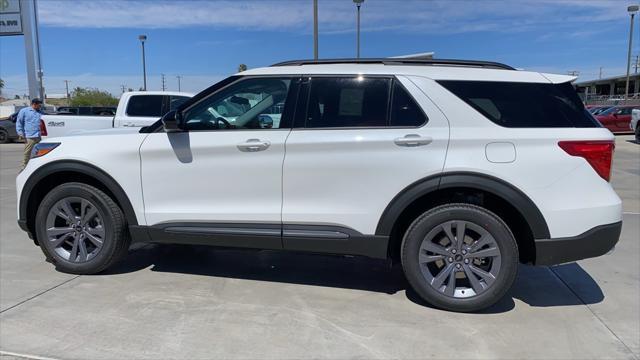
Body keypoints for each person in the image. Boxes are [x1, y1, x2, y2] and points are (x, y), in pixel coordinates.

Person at [16, 98, 44, 170]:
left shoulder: (41, 112)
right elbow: (19, 122)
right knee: (27, 153)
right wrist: (20, 133)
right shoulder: (24, 111)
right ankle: (24, 168)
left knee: (39, 153)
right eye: (39, 105)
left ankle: (35, 168)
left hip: (40, 136)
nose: (40, 106)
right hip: (30, 136)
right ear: (34, 104)